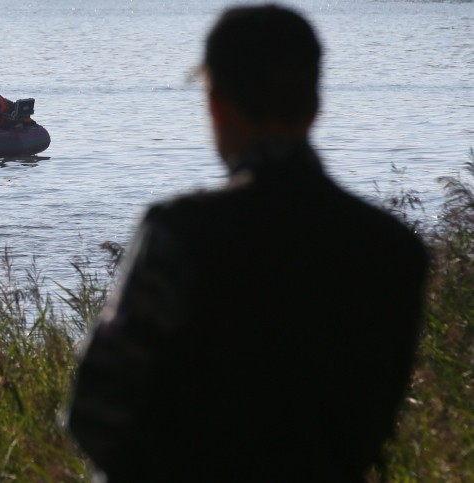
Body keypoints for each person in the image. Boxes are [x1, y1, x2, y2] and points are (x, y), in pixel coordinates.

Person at [67, 5, 429, 482]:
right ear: (316, 105)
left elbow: (94, 411)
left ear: (216, 104)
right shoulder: (396, 249)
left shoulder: (179, 231)